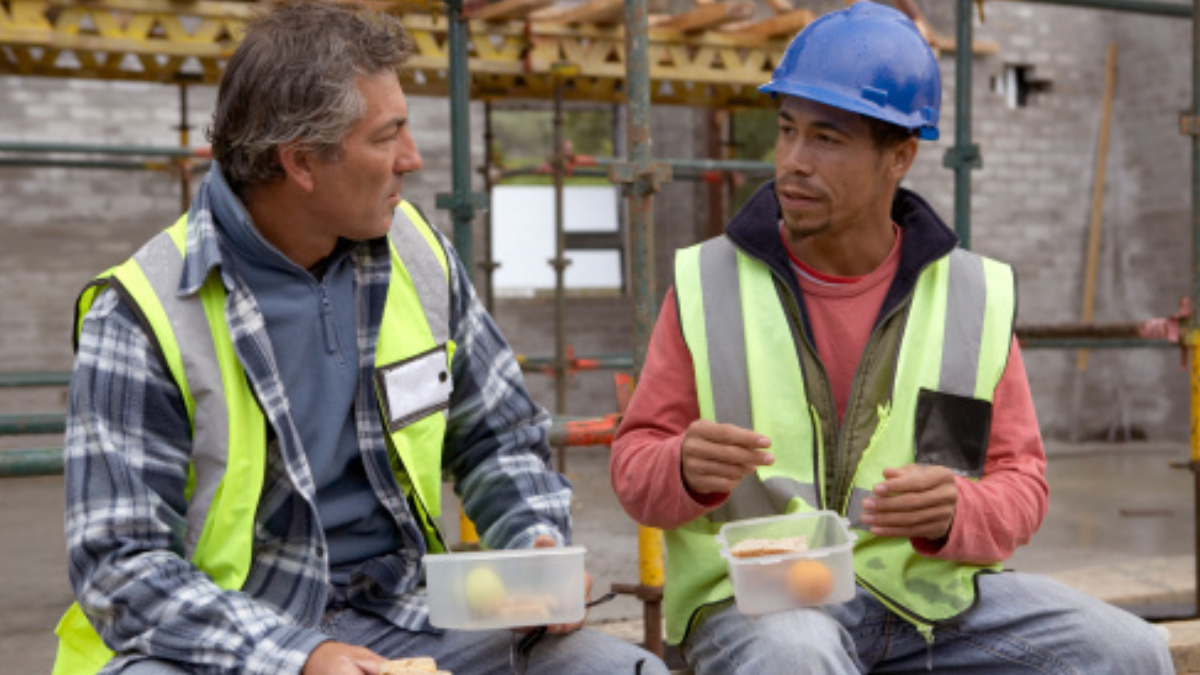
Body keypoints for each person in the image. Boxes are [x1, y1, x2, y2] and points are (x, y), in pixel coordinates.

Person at [53, 3, 668, 674]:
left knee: (616, 668)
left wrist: (536, 541)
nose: (414, 158)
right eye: (388, 136)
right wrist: (302, 655)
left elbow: (499, 435)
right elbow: (122, 566)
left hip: (405, 615)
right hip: (230, 637)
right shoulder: (140, 312)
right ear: (302, 162)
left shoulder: (417, 254)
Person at [610, 3, 1173, 674]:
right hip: (763, 600)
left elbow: (1020, 486)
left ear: (899, 156)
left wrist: (955, 510)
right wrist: (679, 467)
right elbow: (634, 466)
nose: (792, 161)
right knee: (799, 657)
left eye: (826, 138)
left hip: (928, 606)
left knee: (1130, 651)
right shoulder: (708, 283)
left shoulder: (972, 297)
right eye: (787, 129)